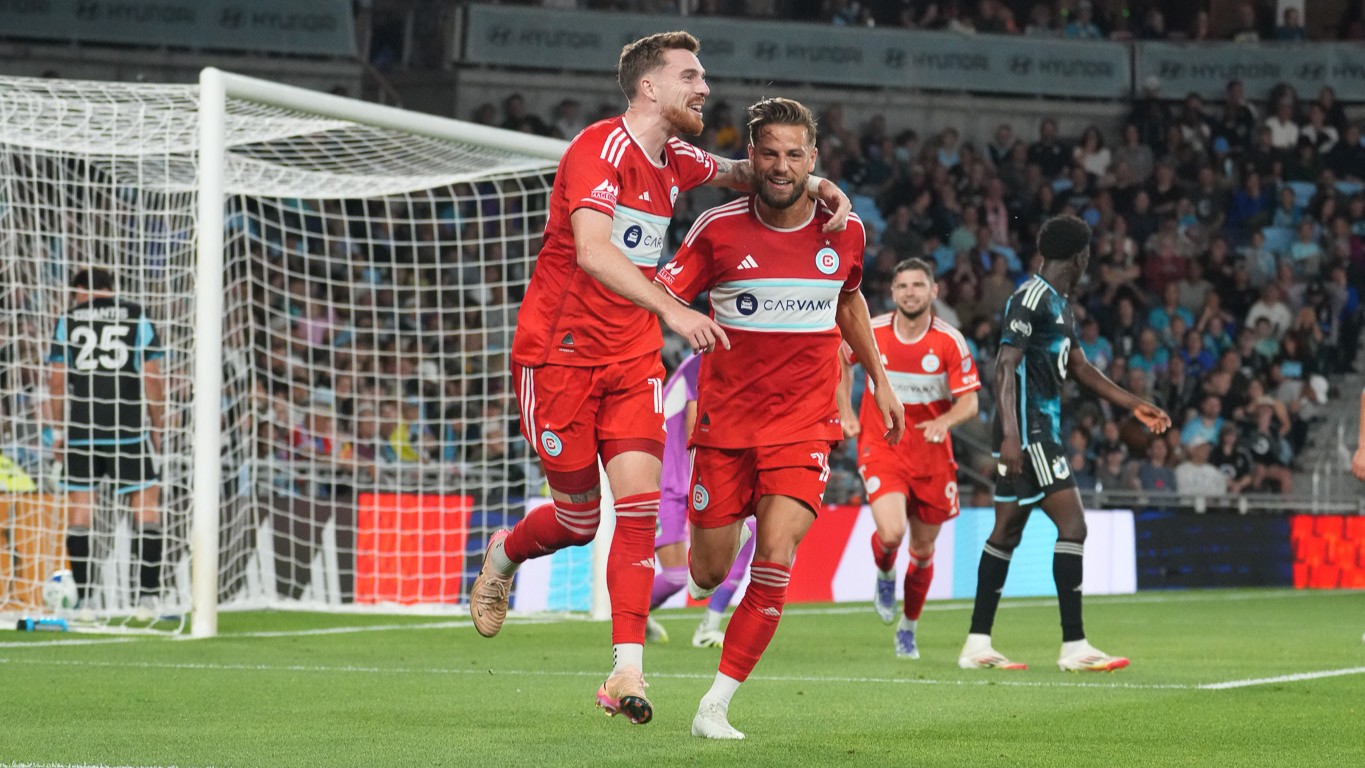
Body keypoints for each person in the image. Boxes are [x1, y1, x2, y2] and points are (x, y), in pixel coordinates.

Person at [466, 31, 852, 727]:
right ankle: (505, 551)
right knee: (580, 520)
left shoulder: (676, 158)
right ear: (650, 87)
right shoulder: (598, 151)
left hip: (631, 359)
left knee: (639, 515)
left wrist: (819, 183)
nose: (704, 88)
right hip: (558, 356)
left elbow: (744, 173)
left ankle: (625, 668)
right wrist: (672, 308)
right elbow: (590, 250)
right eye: (690, 76)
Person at [655, 97, 904, 739]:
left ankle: (715, 706)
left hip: (805, 425)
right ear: (753, 156)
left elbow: (849, 301)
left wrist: (880, 380)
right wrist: (679, 318)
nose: (782, 165)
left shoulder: (844, 231)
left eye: (795, 154)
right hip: (726, 427)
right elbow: (661, 295)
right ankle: (724, 541)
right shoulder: (716, 229)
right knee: (707, 572)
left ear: (813, 158)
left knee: (776, 556)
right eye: (770, 152)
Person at [960, 215, 1171, 673]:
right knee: (1073, 526)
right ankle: (1074, 645)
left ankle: (976, 644)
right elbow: (1003, 366)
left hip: (1037, 431)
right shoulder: (1031, 297)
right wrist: (1013, 435)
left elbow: (1079, 368)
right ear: (1080, 256)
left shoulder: (1059, 304)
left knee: (1006, 532)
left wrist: (1133, 403)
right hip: (1029, 432)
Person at [835, 258, 979, 659]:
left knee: (923, 550)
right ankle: (884, 571)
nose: (910, 292)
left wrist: (946, 420)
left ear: (934, 291)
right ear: (893, 293)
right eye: (902, 286)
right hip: (882, 445)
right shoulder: (874, 330)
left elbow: (970, 401)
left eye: (918, 285)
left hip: (932, 454)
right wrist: (845, 409)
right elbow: (840, 360)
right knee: (893, 532)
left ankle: (908, 627)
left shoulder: (950, 341)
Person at [46, 267, 167, 618]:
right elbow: (153, 377)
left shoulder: (68, 320)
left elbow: (56, 383)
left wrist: (58, 432)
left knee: (81, 511)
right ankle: (147, 599)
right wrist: (157, 425)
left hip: (83, 429)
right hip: (127, 426)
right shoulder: (136, 314)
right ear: (110, 289)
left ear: (82, 289)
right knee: (146, 506)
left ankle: (83, 601)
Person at [643, 352, 756, 648]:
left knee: (750, 528)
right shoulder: (701, 364)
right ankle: (633, 619)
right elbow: (697, 430)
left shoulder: (742, 369)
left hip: (693, 478)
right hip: (663, 478)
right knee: (678, 576)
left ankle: (709, 626)